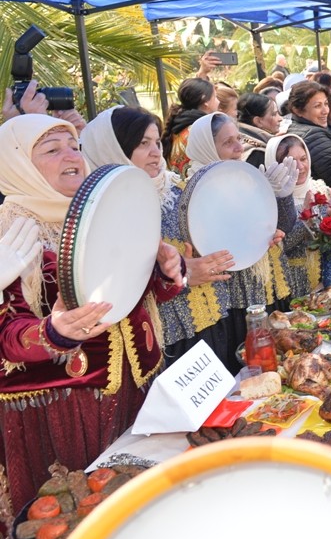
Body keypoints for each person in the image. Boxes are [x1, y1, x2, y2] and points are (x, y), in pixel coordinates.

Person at [0, 113, 183, 539]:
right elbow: (7, 338)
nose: (71, 156)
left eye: (74, 145)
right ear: (16, 163)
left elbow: (129, 293)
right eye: (51, 149)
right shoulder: (9, 232)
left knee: (139, 514)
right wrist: (54, 331)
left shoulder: (102, 208)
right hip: (65, 406)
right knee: (80, 524)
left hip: (134, 387)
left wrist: (165, 273)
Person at [80, 106, 235, 362]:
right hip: (164, 335)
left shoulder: (178, 187)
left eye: (156, 142)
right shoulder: (103, 209)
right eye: (143, 143)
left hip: (212, 316)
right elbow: (115, 285)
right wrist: (181, 275)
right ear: (113, 147)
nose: (155, 152)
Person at [185, 112, 296, 371]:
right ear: (206, 147)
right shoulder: (192, 193)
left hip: (268, 287)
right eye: (228, 143)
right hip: (236, 301)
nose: (239, 148)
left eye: (238, 139)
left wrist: (282, 197)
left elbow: (283, 227)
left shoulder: (246, 178)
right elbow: (209, 246)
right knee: (252, 368)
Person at [267, 133, 330, 299]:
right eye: (291, 162)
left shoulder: (320, 188)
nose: (301, 167)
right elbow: (281, 245)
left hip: (328, 275)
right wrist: (305, 217)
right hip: (295, 281)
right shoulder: (271, 201)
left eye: (303, 159)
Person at [285, 81, 331, 188]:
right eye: (317, 106)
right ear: (297, 110)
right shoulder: (314, 136)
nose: (325, 111)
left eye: (326, 104)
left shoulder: (295, 128)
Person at [163, 77, 218, 175]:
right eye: (215, 97)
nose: (218, 102)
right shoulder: (203, 131)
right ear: (205, 101)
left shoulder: (177, 127)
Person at [237, 92, 282, 167]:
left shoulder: (240, 138)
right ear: (258, 121)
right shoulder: (256, 153)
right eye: (274, 114)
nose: (280, 118)